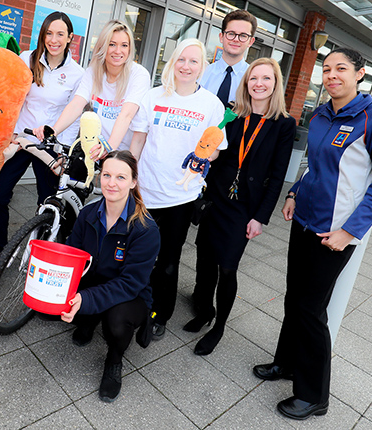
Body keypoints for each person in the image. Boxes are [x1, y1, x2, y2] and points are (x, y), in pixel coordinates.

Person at [253, 48, 372, 421]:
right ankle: (285, 362)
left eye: (341, 69)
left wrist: (349, 232)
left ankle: (314, 395)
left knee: (311, 310)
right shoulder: (320, 114)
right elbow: (313, 167)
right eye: (327, 69)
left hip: (333, 234)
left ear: (360, 73)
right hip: (303, 221)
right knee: (293, 300)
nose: (332, 75)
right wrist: (293, 193)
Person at [187, 58, 296, 355]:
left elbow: (277, 176)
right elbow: (217, 152)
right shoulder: (232, 115)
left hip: (244, 206)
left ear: (275, 85)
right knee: (205, 259)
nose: (259, 84)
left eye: (266, 79)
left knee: (227, 267)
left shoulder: (284, 125)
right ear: (246, 83)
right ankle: (204, 311)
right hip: (217, 198)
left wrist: (260, 217)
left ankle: (220, 325)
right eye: (253, 78)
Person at [129, 38, 226, 339]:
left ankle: (160, 312)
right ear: (172, 62)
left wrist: (205, 156)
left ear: (202, 66)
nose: (186, 66)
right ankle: (129, 303)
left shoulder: (211, 104)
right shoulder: (153, 96)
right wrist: (129, 176)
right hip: (145, 191)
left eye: (194, 61)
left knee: (169, 261)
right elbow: (138, 140)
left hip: (180, 198)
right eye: (181, 60)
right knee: (134, 254)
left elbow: (216, 148)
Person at [0, 12, 86, 276]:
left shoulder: (77, 73)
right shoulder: (27, 58)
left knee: (46, 202)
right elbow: (8, 93)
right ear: (42, 35)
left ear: (70, 37)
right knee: (0, 196)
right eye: (49, 33)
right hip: (21, 139)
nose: (54, 39)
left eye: (60, 34)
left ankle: (38, 255)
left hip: (51, 146)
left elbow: (74, 113)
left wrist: (63, 148)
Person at [61, 150, 160, 403]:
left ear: (133, 182)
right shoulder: (87, 214)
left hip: (130, 295)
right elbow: (73, 256)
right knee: (49, 307)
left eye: (120, 177)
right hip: (93, 282)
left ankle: (114, 361)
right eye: (106, 175)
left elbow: (130, 284)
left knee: (116, 324)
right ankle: (88, 320)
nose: (112, 183)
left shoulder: (145, 229)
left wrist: (84, 298)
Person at [36, 20, 151, 152]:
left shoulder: (139, 75)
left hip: (123, 153)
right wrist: (53, 131)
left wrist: (108, 149)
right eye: (112, 44)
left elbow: (126, 115)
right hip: (96, 148)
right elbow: (76, 105)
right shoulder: (93, 71)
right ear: (103, 46)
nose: (118, 51)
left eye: (124, 45)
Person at [199, 10, 258, 107]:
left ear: (251, 42)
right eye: (231, 33)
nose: (236, 39)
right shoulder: (202, 74)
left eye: (243, 35)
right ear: (221, 37)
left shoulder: (254, 79)